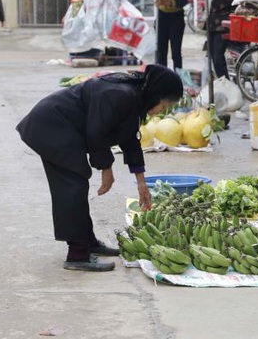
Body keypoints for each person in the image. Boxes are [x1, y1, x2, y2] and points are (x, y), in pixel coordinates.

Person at [16, 65, 184, 272]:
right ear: (157, 95)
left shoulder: (134, 96)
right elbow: (97, 132)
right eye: (165, 105)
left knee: (76, 185)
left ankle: (89, 242)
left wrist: (141, 183)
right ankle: (77, 254)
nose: (162, 111)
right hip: (51, 126)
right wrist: (106, 169)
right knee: (72, 186)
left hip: (63, 128)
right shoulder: (121, 94)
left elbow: (130, 138)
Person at [145, 0, 189, 69]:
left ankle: (178, 78)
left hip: (176, 18)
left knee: (176, 52)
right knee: (161, 51)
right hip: (162, 17)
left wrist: (166, 3)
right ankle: (163, 78)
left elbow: (183, 0)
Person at [206, 0, 243, 79]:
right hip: (212, 25)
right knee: (212, 55)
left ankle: (224, 80)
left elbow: (237, 10)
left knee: (218, 57)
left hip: (224, 27)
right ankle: (222, 80)